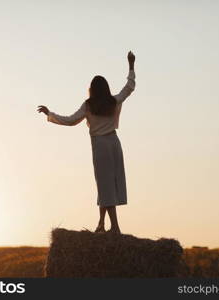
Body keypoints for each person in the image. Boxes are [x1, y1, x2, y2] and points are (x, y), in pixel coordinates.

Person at [37, 51, 136, 234]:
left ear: (91, 89)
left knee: (104, 185)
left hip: (100, 146)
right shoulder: (112, 101)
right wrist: (131, 65)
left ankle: (114, 226)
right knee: (109, 184)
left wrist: (50, 114)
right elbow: (129, 87)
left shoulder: (88, 105)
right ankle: (101, 224)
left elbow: (71, 120)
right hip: (114, 143)